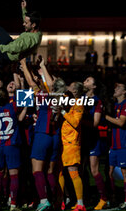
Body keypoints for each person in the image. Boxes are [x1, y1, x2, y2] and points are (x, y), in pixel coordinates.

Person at [20, 58, 64, 211]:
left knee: (37, 170)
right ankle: (55, 201)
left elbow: (32, 83)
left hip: (42, 134)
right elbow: (48, 84)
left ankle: (44, 201)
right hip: (55, 136)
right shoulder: (62, 97)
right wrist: (42, 71)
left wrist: (25, 66)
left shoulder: (44, 95)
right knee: (51, 171)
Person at [0, 87, 27, 211]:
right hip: (11, 144)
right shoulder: (12, 107)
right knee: (14, 175)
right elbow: (25, 96)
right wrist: (21, 84)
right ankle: (13, 204)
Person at [104, 83, 126, 210]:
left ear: (124, 92)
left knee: (125, 172)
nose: (115, 89)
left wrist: (104, 116)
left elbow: (121, 122)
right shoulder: (115, 105)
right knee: (109, 172)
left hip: (124, 144)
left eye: (119, 87)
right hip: (113, 144)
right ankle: (113, 198)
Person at [58, 82, 86, 211]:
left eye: (70, 86)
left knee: (73, 173)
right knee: (60, 173)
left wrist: (63, 111)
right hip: (62, 142)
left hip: (72, 143)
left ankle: (80, 203)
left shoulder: (79, 104)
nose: (67, 88)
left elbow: (75, 122)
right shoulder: (67, 101)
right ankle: (61, 201)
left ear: (75, 90)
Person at [81, 76, 108, 210]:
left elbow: (95, 123)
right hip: (80, 138)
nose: (84, 81)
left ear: (94, 86)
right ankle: (85, 197)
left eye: (88, 80)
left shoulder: (97, 101)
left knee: (94, 169)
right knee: (80, 169)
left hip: (92, 138)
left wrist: (78, 121)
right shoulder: (80, 98)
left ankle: (103, 199)